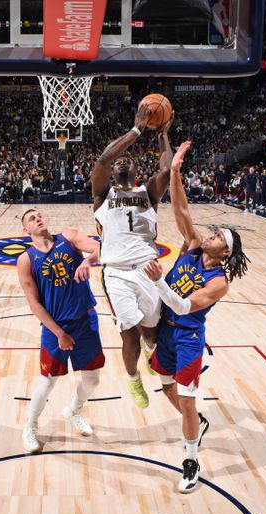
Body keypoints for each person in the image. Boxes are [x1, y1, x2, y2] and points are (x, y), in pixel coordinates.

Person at [144, 141, 249, 493]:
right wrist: (175, 171)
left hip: (188, 337)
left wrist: (159, 282)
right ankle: (198, 422)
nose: (211, 234)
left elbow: (184, 306)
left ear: (225, 251)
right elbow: (181, 209)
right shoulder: (191, 246)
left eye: (218, 236)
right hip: (166, 332)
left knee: (186, 400)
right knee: (166, 388)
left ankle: (191, 461)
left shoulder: (219, 283)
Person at [91, 103, 173, 409]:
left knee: (151, 330)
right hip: (115, 272)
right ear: (112, 173)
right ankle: (133, 380)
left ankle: (152, 352)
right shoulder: (102, 195)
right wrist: (137, 129)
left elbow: (166, 169)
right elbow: (103, 158)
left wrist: (163, 135)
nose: (122, 161)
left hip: (148, 268)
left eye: (128, 160)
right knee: (128, 335)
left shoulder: (148, 194)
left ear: (137, 172)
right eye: (118, 162)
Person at [17, 209, 103, 452]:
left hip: (85, 320)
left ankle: (74, 409)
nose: (38, 218)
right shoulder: (26, 259)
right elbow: (34, 304)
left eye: (39, 215)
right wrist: (59, 333)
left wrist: (87, 260)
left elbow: (101, 248)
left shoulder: (69, 237)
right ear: (26, 230)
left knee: (93, 379)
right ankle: (30, 426)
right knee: (48, 381)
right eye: (31, 218)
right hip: (56, 327)